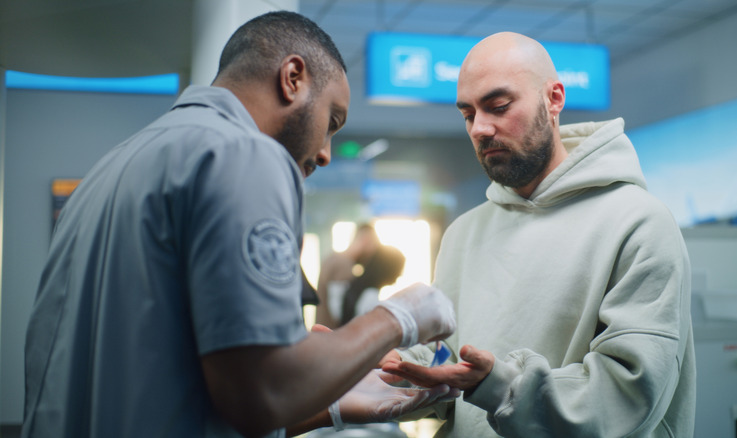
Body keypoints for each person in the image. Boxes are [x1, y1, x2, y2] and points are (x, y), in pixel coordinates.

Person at [22, 11, 458, 438]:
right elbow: (263, 393)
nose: (326, 152)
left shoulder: (103, 176)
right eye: (332, 122)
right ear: (292, 78)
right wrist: (399, 317)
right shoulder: (245, 154)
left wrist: (327, 405)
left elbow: (170, 382)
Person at [381, 32, 696, 437]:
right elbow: (450, 358)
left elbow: (627, 396)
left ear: (554, 99)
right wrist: (392, 369)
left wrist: (496, 386)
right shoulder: (464, 233)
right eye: (467, 114)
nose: (479, 128)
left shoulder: (638, 223)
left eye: (497, 106)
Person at [315, 224, 381, 328]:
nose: (372, 255)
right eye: (374, 247)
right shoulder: (344, 265)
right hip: (333, 334)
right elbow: (340, 311)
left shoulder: (332, 258)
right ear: (366, 240)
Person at [339, 244, 406, 325]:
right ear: (388, 268)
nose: (400, 274)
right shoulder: (371, 297)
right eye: (399, 268)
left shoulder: (358, 289)